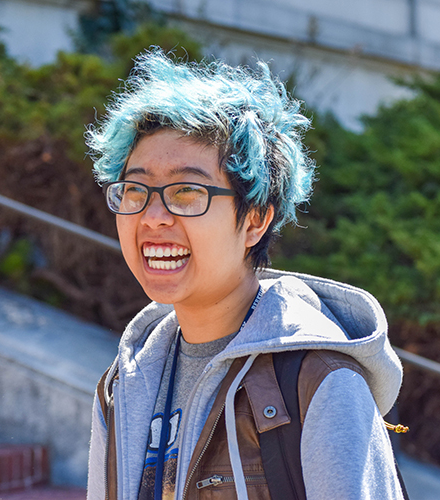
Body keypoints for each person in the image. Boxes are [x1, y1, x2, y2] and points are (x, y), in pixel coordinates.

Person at [85, 48, 405, 500]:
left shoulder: (320, 384)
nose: (153, 216)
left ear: (254, 221)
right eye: (136, 190)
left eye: (186, 192)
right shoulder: (124, 384)